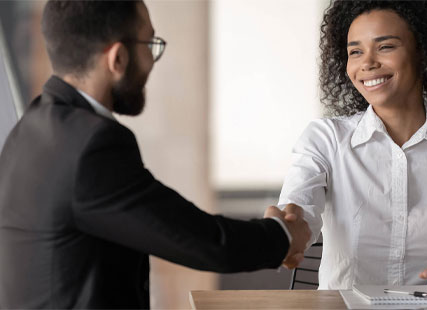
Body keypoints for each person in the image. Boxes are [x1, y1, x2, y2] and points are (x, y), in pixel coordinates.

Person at [0, 1, 310, 308]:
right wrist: (282, 236)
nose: (152, 59)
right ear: (118, 58)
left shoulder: (31, 126)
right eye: (149, 44)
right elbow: (201, 240)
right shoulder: (92, 146)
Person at [278, 0, 427, 290]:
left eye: (385, 47)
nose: (367, 63)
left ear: (425, 51)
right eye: (355, 51)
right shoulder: (325, 138)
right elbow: (298, 215)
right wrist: (285, 231)